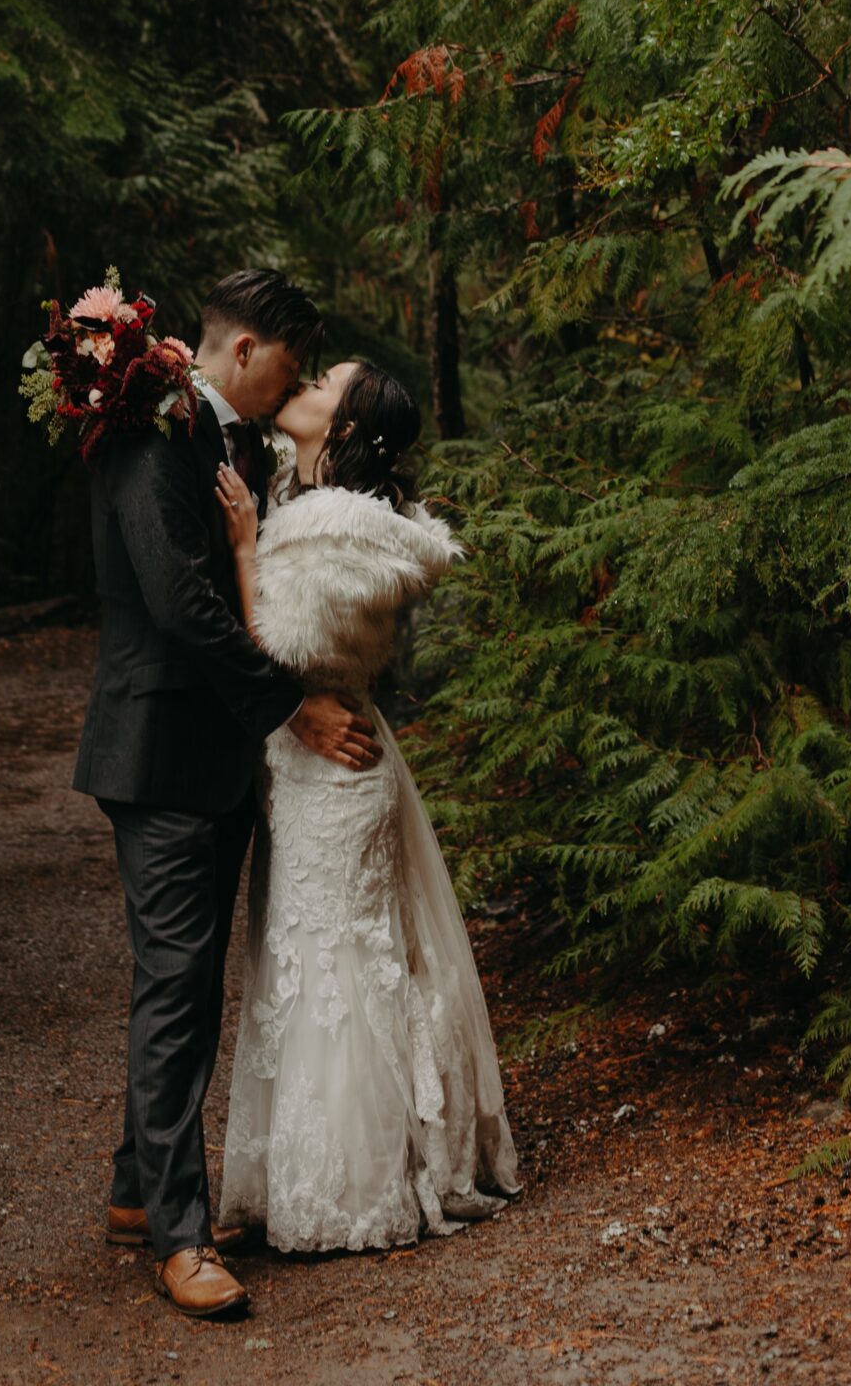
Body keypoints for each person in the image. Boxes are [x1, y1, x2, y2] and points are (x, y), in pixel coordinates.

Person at [72, 270, 381, 1323]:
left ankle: (132, 1190)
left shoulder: (223, 437)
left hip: (207, 756)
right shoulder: (149, 433)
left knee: (187, 980)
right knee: (177, 987)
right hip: (157, 750)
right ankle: (180, 1237)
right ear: (244, 349)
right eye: (287, 369)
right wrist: (291, 707)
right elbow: (179, 606)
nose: (286, 390)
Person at [215, 358, 521, 1254]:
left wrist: (241, 546)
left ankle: (351, 1184)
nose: (301, 382)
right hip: (318, 760)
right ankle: (313, 1170)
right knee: (312, 962)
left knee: (337, 968)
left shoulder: (337, 529)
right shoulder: (309, 504)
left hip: (331, 766)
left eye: (321, 382)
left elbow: (271, 644)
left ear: (343, 428)